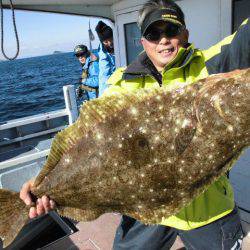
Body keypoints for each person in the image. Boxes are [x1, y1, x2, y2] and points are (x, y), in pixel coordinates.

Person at [20, 0, 250, 249]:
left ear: (185, 34)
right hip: (143, 205)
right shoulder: (121, 82)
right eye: (154, 33)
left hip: (207, 205)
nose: (163, 40)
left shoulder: (210, 66)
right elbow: (88, 140)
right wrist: (42, 182)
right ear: (143, 41)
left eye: (171, 31)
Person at [95, 20, 116, 96]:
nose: (110, 43)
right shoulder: (103, 53)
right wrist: (103, 96)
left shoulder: (122, 43)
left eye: (111, 39)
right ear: (102, 42)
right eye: (106, 42)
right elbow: (104, 74)